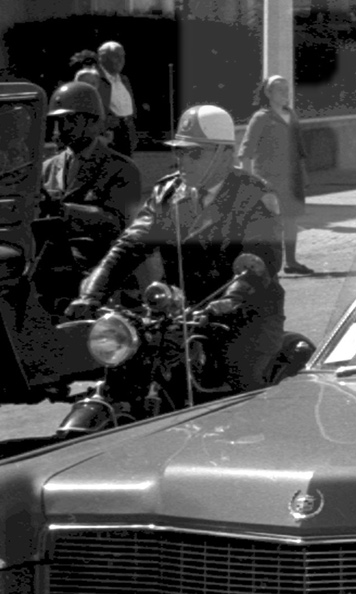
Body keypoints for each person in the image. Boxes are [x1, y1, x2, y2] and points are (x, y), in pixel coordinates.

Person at [69, 103, 286, 393]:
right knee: (130, 376)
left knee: (241, 386)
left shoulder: (254, 195)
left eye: (194, 152)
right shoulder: (167, 194)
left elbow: (260, 260)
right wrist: (91, 294)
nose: (183, 160)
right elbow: (129, 246)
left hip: (243, 317)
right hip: (177, 316)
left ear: (224, 153)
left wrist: (231, 300)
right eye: (179, 151)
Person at [36, 80, 145, 314]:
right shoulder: (46, 168)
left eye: (70, 120)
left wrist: (63, 210)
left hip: (97, 269)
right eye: (56, 121)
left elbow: (117, 223)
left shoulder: (121, 168)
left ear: (93, 122)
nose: (60, 128)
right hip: (45, 264)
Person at [238, 74, 314, 273]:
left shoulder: (292, 115)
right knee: (269, 224)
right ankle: (267, 264)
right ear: (268, 93)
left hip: (293, 178)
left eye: (287, 89)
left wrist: (304, 174)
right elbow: (245, 151)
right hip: (268, 180)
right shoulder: (261, 117)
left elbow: (299, 148)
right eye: (280, 89)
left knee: (291, 219)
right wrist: (248, 182)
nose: (285, 93)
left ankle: (291, 262)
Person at [94, 42, 138, 158]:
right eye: (115, 56)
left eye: (122, 56)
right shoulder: (94, 79)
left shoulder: (124, 79)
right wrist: (104, 129)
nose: (120, 60)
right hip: (107, 135)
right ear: (102, 58)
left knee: (127, 170)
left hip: (126, 133)